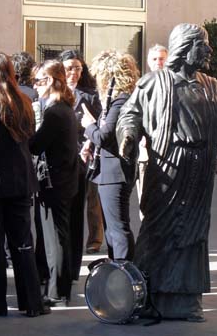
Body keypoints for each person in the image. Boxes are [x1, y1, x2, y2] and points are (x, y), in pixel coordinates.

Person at [116, 23, 217, 321]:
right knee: (157, 230)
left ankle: (186, 300)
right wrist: (128, 136)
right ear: (186, 48)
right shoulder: (153, 83)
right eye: (203, 44)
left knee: (193, 233)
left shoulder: (210, 85)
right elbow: (130, 114)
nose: (209, 50)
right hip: (167, 167)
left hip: (199, 168)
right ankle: (149, 296)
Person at [0, 52, 49, 317]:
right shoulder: (24, 101)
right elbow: (29, 137)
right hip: (19, 181)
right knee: (23, 243)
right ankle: (31, 303)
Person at [80, 51, 139, 260]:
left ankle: (125, 271)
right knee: (113, 229)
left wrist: (89, 126)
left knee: (117, 228)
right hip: (112, 171)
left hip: (115, 172)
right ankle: (119, 269)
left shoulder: (120, 100)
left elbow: (105, 136)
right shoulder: (120, 99)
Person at [29, 60, 78, 306]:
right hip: (62, 181)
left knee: (55, 239)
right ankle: (59, 288)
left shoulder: (55, 111)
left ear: (49, 81)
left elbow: (36, 145)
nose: (35, 87)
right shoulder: (63, 107)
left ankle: (57, 291)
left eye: (37, 81)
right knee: (58, 236)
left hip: (55, 183)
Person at [59, 49, 103, 260]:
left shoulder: (89, 95)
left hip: (88, 151)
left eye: (78, 68)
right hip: (66, 153)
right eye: (69, 68)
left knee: (92, 200)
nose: (73, 73)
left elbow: (98, 124)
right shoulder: (56, 92)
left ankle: (95, 240)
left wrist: (89, 144)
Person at [136, 44, 169, 220]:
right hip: (146, 150)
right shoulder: (142, 85)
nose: (158, 62)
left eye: (162, 58)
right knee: (145, 193)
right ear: (149, 62)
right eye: (155, 59)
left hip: (170, 151)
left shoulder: (174, 84)